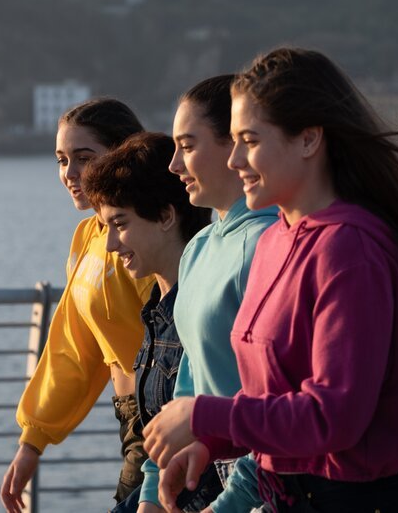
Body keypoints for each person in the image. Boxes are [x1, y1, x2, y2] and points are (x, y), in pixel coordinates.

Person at [144, 47, 398, 513]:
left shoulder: (350, 250)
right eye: (233, 140)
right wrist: (211, 443)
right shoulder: (276, 241)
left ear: (308, 139)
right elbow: (274, 398)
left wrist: (208, 414)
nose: (234, 160)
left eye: (249, 140)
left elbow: (334, 416)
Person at [0, 98, 154, 513]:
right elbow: (74, 346)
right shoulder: (89, 236)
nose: (70, 173)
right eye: (61, 160)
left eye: (84, 158)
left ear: (125, 154)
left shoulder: (149, 234)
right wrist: (33, 439)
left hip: (164, 421)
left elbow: (181, 333)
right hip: (132, 423)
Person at [136, 75, 278, 513]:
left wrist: (234, 502)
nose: (174, 165)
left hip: (264, 484)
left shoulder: (268, 244)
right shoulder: (198, 247)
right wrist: (152, 489)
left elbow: (280, 394)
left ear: (233, 146)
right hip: (206, 473)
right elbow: (189, 383)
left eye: (188, 146)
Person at [80, 131, 212, 512]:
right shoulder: (156, 311)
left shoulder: (201, 308)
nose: (110, 245)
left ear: (166, 216)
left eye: (119, 224)